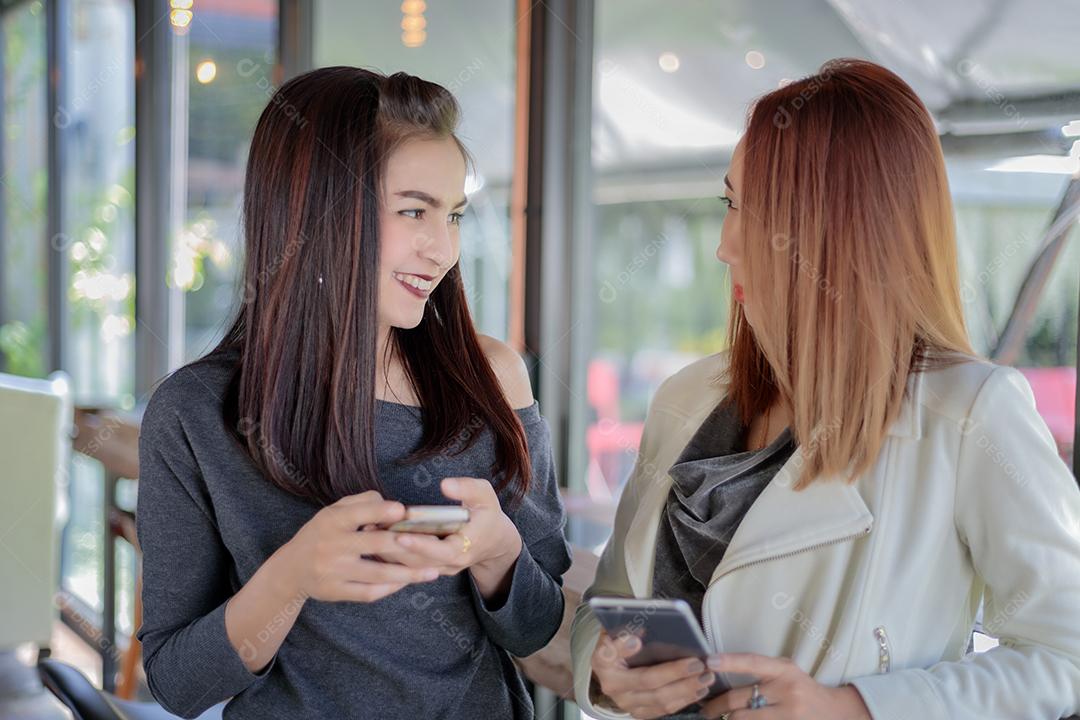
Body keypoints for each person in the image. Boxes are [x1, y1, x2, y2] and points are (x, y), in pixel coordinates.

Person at [570, 58, 1080, 720]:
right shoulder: (684, 401)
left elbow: (1066, 653)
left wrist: (854, 708)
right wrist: (606, 671)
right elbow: (606, 609)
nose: (725, 246)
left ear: (841, 232)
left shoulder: (969, 413)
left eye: (755, 213)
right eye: (729, 202)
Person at [136, 66, 572, 719]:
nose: (442, 249)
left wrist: (500, 552)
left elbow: (536, 628)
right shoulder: (195, 414)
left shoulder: (493, 376)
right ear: (319, 210)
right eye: (414, 211)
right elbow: (179, 683)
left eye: (452, 215)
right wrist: (290, 578)